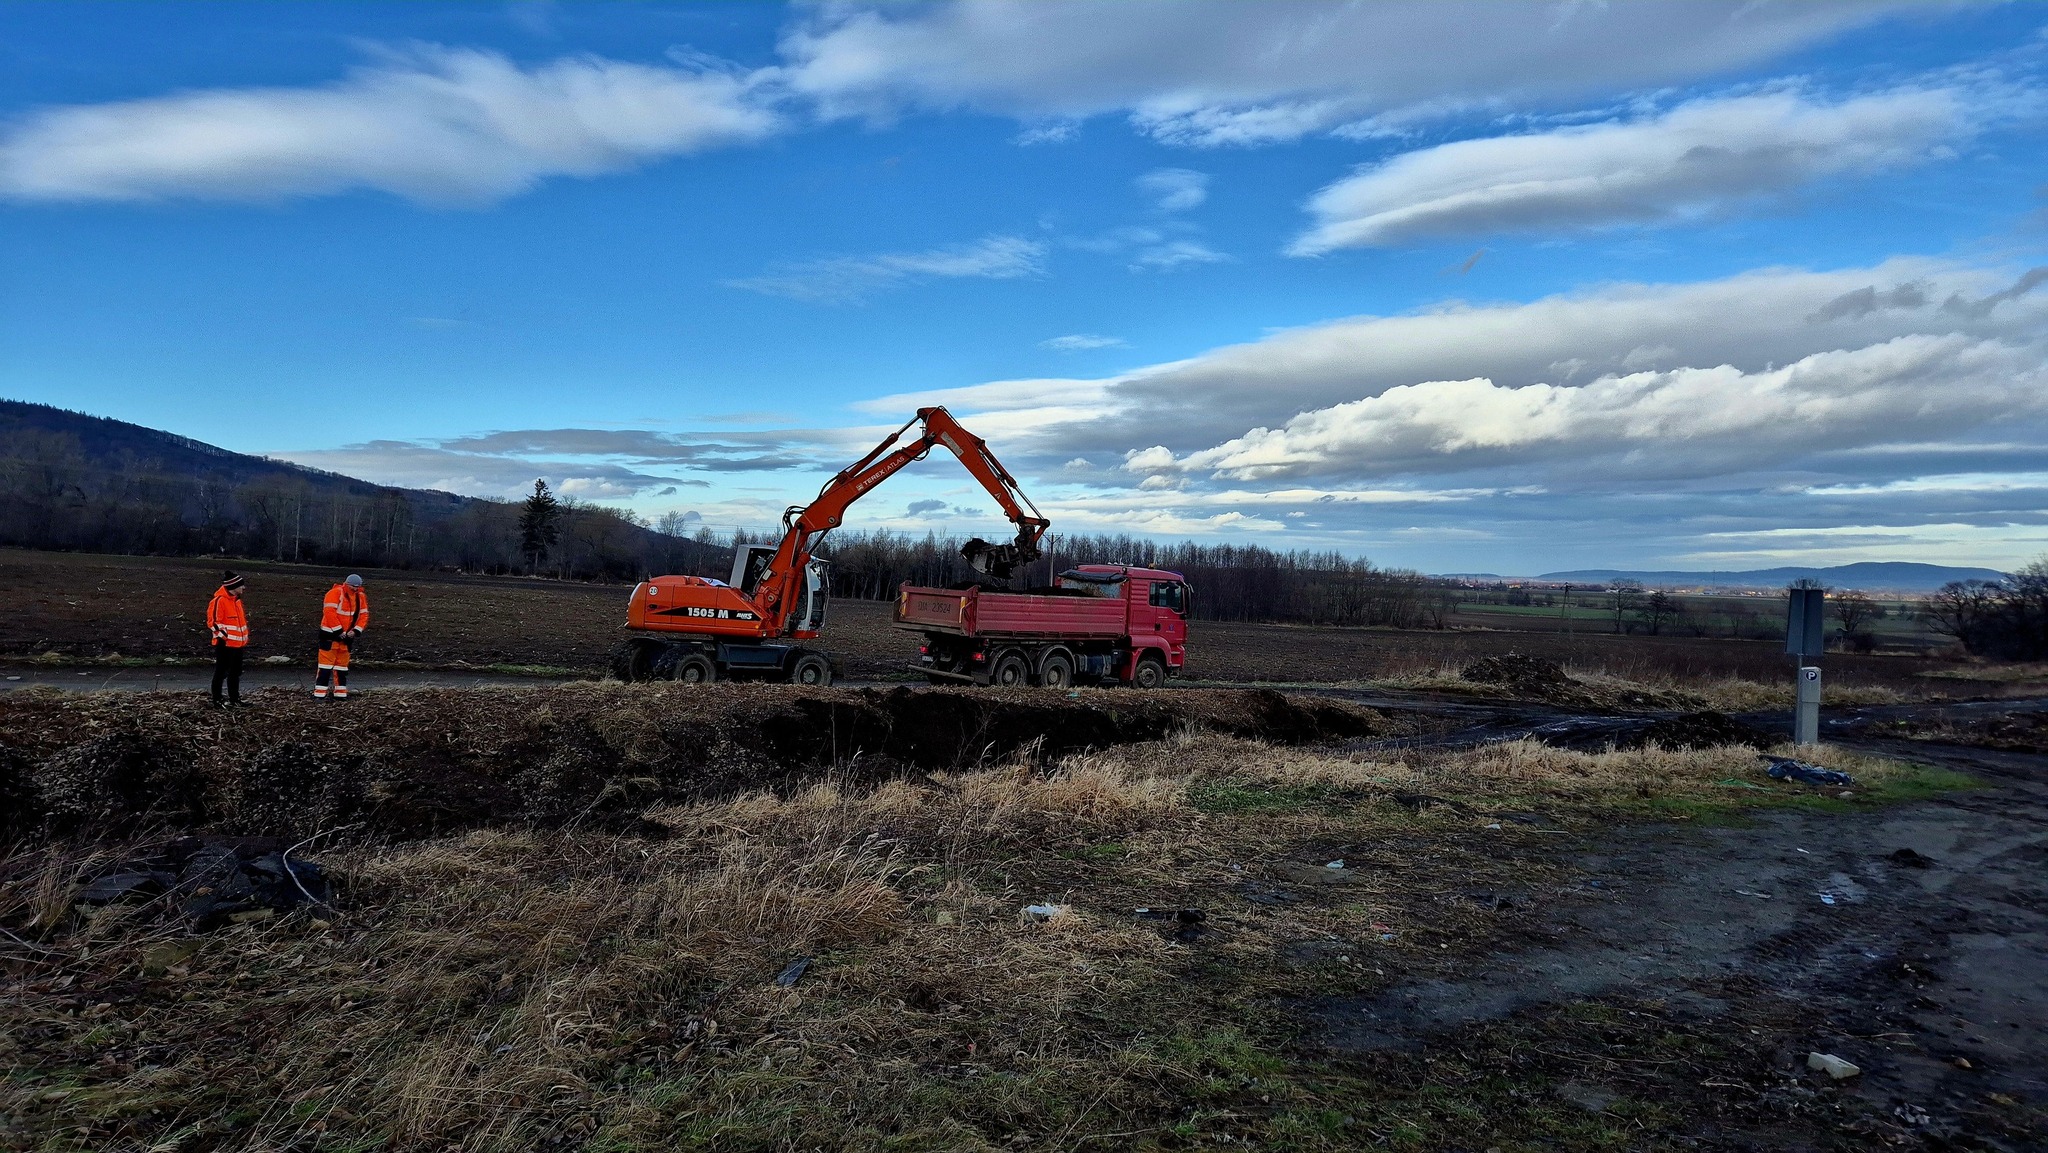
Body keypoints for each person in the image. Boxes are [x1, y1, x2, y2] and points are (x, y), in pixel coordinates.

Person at [314, 573, 370, 701]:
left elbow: (364, 615)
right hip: (329, 636)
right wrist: (339, 630)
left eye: (357, 587)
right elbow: (329, 613)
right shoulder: (334, 593)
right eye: (353, 586)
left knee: (342, 667)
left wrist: (355, 631)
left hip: (346, 638)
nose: (355, 589)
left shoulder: (360, 597)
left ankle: (340, 694)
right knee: (325, 666)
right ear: (347, 584)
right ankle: (319, 695)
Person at [206, 571, 250, 707]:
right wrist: (224, 638)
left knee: (235, 673)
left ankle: (234, 699)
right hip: (225, 645)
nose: (244, 588)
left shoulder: (236, 601)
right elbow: (213, 623)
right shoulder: (219, 601)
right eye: (241, 585)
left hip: (238, 644)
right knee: (221, 672)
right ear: (233, 586)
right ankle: (217, 700)